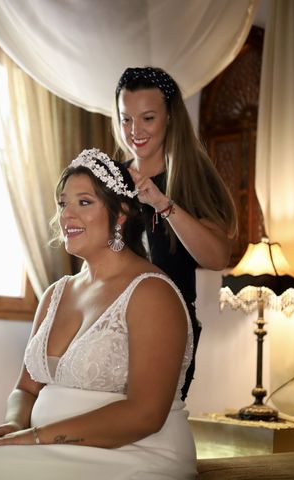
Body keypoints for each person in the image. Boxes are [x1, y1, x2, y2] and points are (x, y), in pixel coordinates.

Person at [0, 148, 197, 480]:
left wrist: (34, 437)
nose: (67, 215)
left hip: (135, 454)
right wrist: (15, 424)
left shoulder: (151, 292)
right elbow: (26, 389)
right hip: (50, 449)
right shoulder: (56, 294)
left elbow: (145, 414)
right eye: (63, 203)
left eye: (84, 202)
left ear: (120, 214)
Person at [113, 67, 238, 400]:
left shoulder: (193, 176)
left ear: (170, 117)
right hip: (110, 328)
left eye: (147, 118)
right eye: (126, 119)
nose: (134, 131)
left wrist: (163, 205)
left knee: (150, 431)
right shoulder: (110, 179)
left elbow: (217, 256)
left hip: (170, 329)